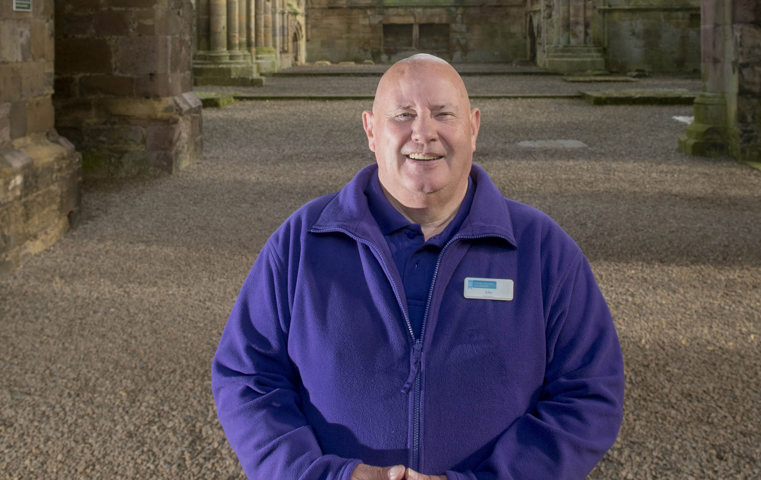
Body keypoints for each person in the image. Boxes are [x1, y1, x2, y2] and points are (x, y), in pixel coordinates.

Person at [212, 54, 624, 480]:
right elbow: (247, 376)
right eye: (403, 115)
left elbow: (589, 392)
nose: (423, 132)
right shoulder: (303, 240)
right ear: (371, 130)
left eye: (443, 114)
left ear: (474, 127)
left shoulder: (542, 249)